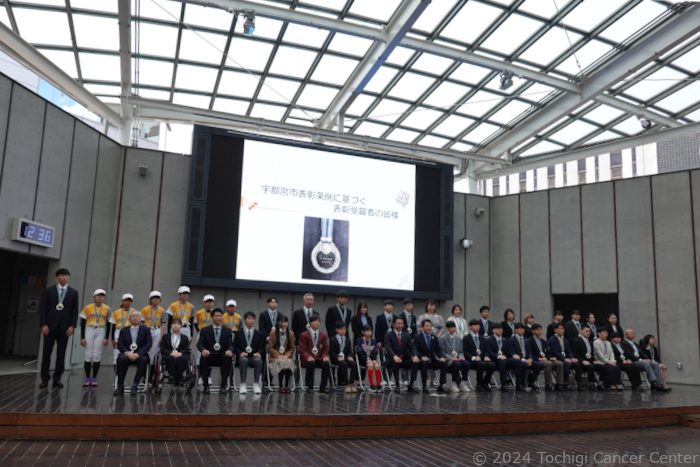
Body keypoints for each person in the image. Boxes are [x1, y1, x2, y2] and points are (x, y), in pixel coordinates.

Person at [39, 268, 80, 389]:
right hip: (50, 326)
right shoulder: (49, 290)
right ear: (57, 277)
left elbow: (74, 311)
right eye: (62, 275)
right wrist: (43, 324)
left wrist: (72, 325)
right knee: (46, 353)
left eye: (67, 276)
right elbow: (43, 308)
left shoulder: (73, 292)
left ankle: (57, 379)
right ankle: (45, 379)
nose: (65, 278)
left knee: (61, 354)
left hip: (64, 327)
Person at [114, 310, 152, 395]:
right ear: (129, 319)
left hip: (140, 355)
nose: (135, 318)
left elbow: (148, 343)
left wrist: (138, 354)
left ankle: (135, 385)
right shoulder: (124, 330)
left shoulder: (146, 330)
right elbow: (120, 344)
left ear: (140, 318)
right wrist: (127, 353)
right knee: (121, 359)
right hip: (127, 355)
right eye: (133, 316)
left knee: (144, 360)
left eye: (137, 316)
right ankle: (120, 385)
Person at [198, 308, 234, 394]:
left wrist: (229, 350)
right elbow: (200, 343)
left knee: (228, 359)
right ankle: (206, 385)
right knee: (203, 358)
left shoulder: (227, 330)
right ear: (212, 317)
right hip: (210, 354)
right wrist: (203, 350)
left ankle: (223, 385)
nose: (218, 318)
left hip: (221, 355)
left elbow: (230, 344)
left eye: (220, 316)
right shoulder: (205, 330)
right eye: (216, 316)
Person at [79, 289, 111, 386]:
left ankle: (94, 378)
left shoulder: (107, 308)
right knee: (88, 354)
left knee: (97, 354)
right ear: (94, 297)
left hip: (101, 329)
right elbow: (82, 323)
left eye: (102, 296)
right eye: (98, 295)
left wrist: (106, 337)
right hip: (89, 328)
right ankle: (87, 377)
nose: (100, 297)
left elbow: (109, 324)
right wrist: (82, 337)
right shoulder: (87, 307)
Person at [383, 316, 420, 392]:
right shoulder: (389, 335)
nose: (400, 325)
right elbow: (388, 347)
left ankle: (411, 384)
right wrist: (394, 356)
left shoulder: (406, 335)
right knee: (395, 363)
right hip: (393, 360)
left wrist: (415, 356)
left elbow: (412, 347)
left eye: (402, 324)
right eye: (398, 323)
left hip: (404, 359)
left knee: (415, 362)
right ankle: (397, 385)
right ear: (393, 324)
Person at [234, 311, 265, 394]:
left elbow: (261, 347)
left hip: (253, 357)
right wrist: (240, 353)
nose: (251, 320)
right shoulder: (238, 333)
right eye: (249, 318)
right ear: (244, 320)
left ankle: (256, 383)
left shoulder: (259, 334)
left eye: (253, 319)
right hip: (243, 356)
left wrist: (258, 353)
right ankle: (243, 383)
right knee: (244, 360)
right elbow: (235, 346)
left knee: (258, 361)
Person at [298, 315, 330, 394]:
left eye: (318, 321)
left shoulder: (323, 336)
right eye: (315, 321)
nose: (317, 323)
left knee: (326, 364)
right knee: (311, 364)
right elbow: (302, 349)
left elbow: (326, 348)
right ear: (310, 323)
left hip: (319, 357)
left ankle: (323, 387)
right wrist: (308, 356)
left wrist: (325, 356)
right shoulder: (304, 335)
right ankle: (309, 386)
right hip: (308, 359)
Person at [413, 319, 447, 392]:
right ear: (422, 327)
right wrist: (422, 357)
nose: (429, 328)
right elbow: (415, 350)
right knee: (424, 363)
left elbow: (438, 350)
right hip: (421, 361)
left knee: (444, 363)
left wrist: (441, 357)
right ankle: (424, 385)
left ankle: (441, 385)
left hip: (431, 360)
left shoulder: (434, 337)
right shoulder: (417, 337)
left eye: (430, 326)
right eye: (427, 326)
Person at [548, 323, 583, 390]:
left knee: (577, 364)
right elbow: (554, 352)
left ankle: (580, 383)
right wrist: (564, 359)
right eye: (560, 329)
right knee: (568, 364)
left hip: (566, 358)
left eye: (563, 329)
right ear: (555, 330)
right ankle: (565, 383)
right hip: (557, 358)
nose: (562, 330)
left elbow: (569, 351)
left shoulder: (565, 340)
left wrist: (572, 358)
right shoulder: (551, 339)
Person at [505, 323, 540, 391]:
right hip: (518, 360)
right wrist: (523, 360)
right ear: (515, 330)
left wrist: (530, 359)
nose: (522, 330)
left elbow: (529, 352)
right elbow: (511, 352)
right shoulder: (511, 339)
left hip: (527, 359)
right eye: (520, 329)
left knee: (538, 364)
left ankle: (531, 381)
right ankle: (520, 383)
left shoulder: (526, 339)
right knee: (522, 364)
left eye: (523, 329)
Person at [463, 319, 495, 391]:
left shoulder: (482, 338)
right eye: (475, 325)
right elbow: (465, 351)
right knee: (482, 364)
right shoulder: (466, 338)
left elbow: (485, 350)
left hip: (481, 359)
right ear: (470, 326)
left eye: (478, 325)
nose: (477, 327)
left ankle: (485, 383)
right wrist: (473, 358)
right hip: (471, 360)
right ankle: (479, 384)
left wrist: (486, 356)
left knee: (492, 365)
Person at [486, 322, 520, 391]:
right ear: (493, 330)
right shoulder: (489, 340)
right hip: (495, 359)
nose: (500, 330)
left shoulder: (505, 339)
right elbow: (490, 352)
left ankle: (519, 384)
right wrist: (498, 356)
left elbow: (509, 351)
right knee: (503, 362)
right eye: (498, 329)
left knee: (517, 361)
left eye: (501, 329)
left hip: (505, 358)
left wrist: (513, 355)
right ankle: (503, 384)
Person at [528, 323, 563, 391]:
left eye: (540, 330)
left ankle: (559, 384)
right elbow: (529, 353)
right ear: (532, 331)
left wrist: (550, 357)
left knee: (559, 363)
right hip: (536, 360)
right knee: (548, 364)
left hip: (545, 359)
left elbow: (547, 353)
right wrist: (538, 358)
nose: (540, 331)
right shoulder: (529, 341)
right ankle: (548, 384)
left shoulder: (543, 341)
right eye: (537, 330)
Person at [439, 321, 470, 392]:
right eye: (451, 327)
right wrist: (450, 358)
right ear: (447, 328)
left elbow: (461, 351)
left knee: (467, 363)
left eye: (454, 327)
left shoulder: (458, 338)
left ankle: (463, 383)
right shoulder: (442, 338)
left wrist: (461, 356)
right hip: (449, 359)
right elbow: (441, 351)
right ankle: (453, 383)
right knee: (457, 364)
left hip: (457, 358)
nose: (453, 329)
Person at [268, 316, 296, 393]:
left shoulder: (290, 334)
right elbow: (270, 347)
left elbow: (292, 348)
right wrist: (278, 355)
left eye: (286, 322)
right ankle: (281, 385)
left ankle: (286, 385)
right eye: (283, 322)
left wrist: (286, 356)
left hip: (286, 357)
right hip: (275, 357)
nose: (285, 324)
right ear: (278, 323)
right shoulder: (273, 333)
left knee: (288, 362)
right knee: (281, 362)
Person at [160, 318, 190, 386]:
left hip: (180, 354)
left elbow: (186, 348)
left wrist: (180, 353)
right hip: (169, 354)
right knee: (171, 358)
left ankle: (179, 376)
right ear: (171, 325)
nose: (175, 325)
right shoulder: (165, 336)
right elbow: (163, 347)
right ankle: (172, 375)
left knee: (181, 358)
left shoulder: (184, 337)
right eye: (174, 324)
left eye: (178, 324)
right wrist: (170, 353)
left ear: (181, 326)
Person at [330, 321, 358, 393]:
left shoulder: (347, 340)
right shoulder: (332, 339)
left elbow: (349, 351)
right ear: (336, 330)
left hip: (345, 358)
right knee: (343, 364)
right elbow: (331, 352)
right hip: (336, 359)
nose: (343, 331)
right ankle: (347, 384)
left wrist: (349, 356)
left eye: (345, 329)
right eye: (341, 329)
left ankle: (351, 383)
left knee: (354, 364)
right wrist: (337, 357)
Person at [109, 294, 136, 365]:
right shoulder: (116, 312)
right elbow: (113, 326)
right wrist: (112, 339)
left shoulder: (134, 312)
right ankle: (116, 372)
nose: (127, 302)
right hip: (118, 331)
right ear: (122, 301)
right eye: (125, 300)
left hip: (129, 332)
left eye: (129, 301)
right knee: (116, 354)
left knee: (127, 354)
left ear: (131, 302)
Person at [572, 325, 600, 390]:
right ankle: (591, 383)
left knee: (602, 366)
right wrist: (582, 361)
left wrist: (594, 360)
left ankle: (601, 383)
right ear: (581, 331)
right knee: (591, 367)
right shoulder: (576, 341)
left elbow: (591, 353)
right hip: (581, 361)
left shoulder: (590, 342)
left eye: (589, 331)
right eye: (586, 331)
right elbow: (575, 354)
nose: (588, 333)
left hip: (589, 361)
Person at [141, 291, 164, 363]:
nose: (156, 300)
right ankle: (145, 365)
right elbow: (141, 323)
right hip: (146, 329)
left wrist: (161, 337)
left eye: (158, 298)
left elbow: (163, 324)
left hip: (157, 330)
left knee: (155, 350)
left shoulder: (162, 310)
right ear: (150, 299)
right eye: (154, 298)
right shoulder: (144, 309)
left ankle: (152, 366)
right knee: (145, 349)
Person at [356, 325, 381, 392]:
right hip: (363, 360)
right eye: (367, 331)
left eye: (370, 331)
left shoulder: (373, 340)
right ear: (363, 332)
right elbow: (360, 352)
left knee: (377, 365)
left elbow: (375, 352)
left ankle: (378, 385)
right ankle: (371, 385)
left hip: (371, 359)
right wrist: (366, 360)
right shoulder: (360, 340)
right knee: (370, 365)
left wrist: (374, 360)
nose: (369, 332)